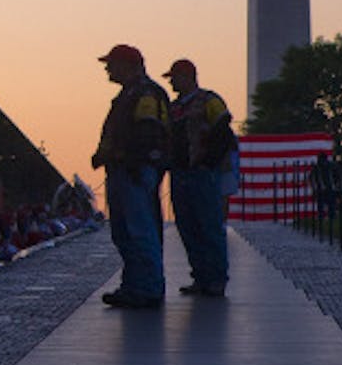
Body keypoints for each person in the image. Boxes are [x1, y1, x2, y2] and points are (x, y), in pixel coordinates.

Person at [92, 44, 169, 308]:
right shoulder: (131, 94)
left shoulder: (145, 93)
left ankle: (147, 288)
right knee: (124, 232)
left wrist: (129, 159)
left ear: (127, 65)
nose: (107, 69)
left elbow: (148, 133)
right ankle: (134, 285)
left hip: (134, 171)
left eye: (111, 64)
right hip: (123, 170)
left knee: (140, 231)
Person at [163, 58, 236, 297]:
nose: (171, 82)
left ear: (188, 76)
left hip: (203, 174)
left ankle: (216, 278)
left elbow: (223, 131)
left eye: (174, 77)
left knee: (209, 226)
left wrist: (208, 161)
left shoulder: (210, 101)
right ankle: (200, 276)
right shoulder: (173, 108)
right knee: (187, 227)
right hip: (180, 173)